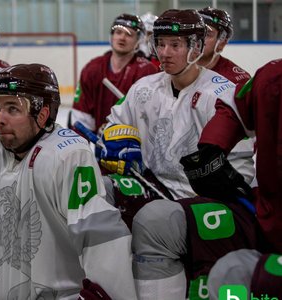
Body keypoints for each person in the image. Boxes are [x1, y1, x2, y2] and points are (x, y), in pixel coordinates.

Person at [0, 63, 136, 300]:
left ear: (42, 113)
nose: (0, 118)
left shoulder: (68, 155)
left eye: (12, 109)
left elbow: (101, 242)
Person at [101, 9, 257, 299]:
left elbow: (243, 174)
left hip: (209, 205)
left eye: (176, 45)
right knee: (100, 192)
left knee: (155, 219)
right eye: (160, 44)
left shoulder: (222, 93)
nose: (165, 53)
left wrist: (218, 178)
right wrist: (115, 144)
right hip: (155, 190)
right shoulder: (143, 89)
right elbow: (111, 128)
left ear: (196, 47)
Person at [196, 59, 282, 298]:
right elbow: (236, 108)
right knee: (230, 273)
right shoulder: (272, 76)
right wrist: (212, 148)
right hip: (270, 220)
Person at [69, 13, 158, 135]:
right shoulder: (92, 69)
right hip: (101, 148)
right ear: (112, 36)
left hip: (138, 148)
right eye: (118, 32)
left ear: (138, 40)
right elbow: (81, 118)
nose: (122, 38)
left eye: (129, 34)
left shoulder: (147, 71)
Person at [197, 7, 251, 85]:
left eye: (208, 34)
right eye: (197, 32)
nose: (199, 38)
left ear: (222, 43)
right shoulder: (177, 69)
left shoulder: (237, 80)